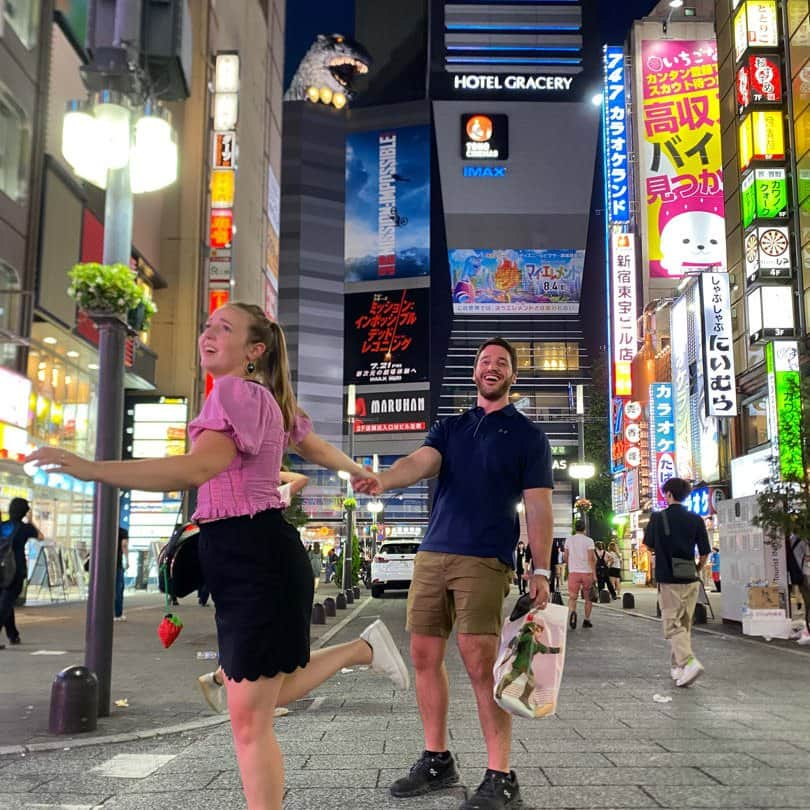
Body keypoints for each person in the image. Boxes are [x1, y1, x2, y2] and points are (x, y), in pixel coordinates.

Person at [26, 302, 409, 810]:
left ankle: (358, 652)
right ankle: (361, 650)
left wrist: (93, 469)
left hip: (253, 554)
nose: (208, 333)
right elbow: (311, 444)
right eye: (207, 325)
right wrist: (356, 470)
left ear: (254, 350)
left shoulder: (234, 393)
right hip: (249, 552)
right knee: (261, 698)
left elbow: (196, 469)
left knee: (250, 721)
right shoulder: (262, 396)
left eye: (223, 328)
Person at [353, 336, 554, 810]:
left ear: (512, 377)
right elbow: (420, 463)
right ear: (474, 373)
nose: (492, 367)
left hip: (484, 557)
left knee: (480, 664)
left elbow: (539, 505)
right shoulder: (450, 427)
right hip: (433, 552)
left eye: (502, 363)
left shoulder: (528, 436)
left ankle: (501, 775)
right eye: (485, 361)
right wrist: (383, 478)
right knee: (423, 654)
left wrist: (541, 569)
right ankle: (437, 758)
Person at [643, 477, 710, 687]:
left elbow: (649, 546)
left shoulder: (658, 517)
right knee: (684, 625)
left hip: (668, 578)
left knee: (672, 625)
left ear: (669, 494)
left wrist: (662, 551)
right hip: (691, 578)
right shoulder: (696, 519)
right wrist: (697, 568)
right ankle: (678, 668)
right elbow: (705, 552)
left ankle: (688, 662)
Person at [0, 498, 43, 648]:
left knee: (6, 602)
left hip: (0, 569)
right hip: (15, 570)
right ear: (24, 512)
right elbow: (40, 536)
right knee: (5, 604)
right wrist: (30, 520)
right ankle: (12, 635)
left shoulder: (3, 525)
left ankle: (13, 635)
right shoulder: (25, 528)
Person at [564, 519, 596, 629]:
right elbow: (591, 559)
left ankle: (573, 612)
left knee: (572, 597)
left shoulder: (569, 540)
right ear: (584, 528)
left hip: (574, 572)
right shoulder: (589, 541)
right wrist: (594, 574)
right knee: (588, 598)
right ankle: (587, 620)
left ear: (575, 528)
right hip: (587, 572)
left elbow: (565, 557)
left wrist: (570, 566)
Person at [114, 527, 129, 621]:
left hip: (103, 565)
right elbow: (124, 545)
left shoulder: (104, 529)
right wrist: (127, 560)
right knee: (118, 589)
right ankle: (117, 614)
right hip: (117, 563)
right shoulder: (122, 531)